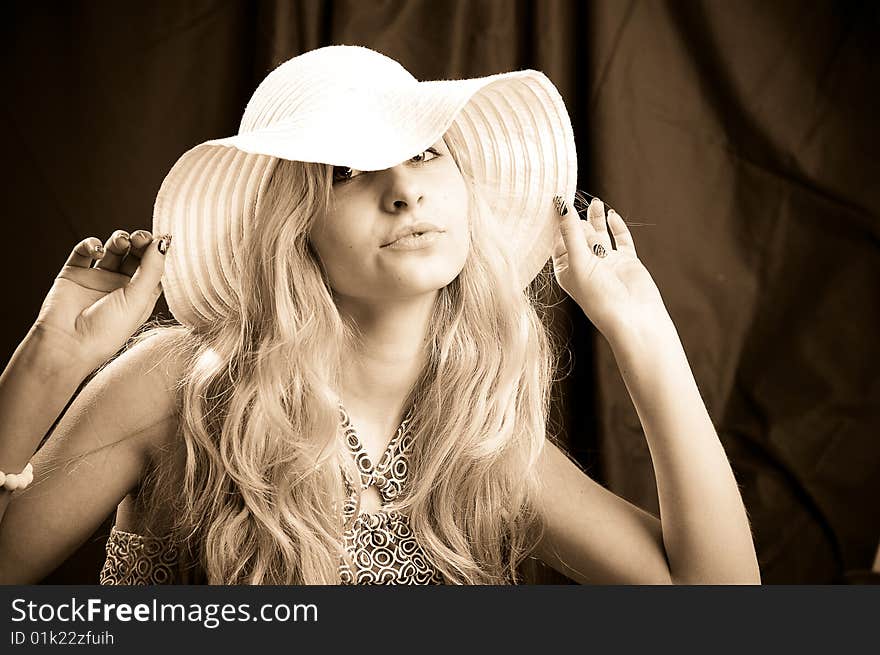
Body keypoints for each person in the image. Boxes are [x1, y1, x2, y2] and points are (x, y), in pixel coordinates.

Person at [0, 45, 760, 585]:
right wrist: (48, 359)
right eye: (349, 173)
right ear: (294, 227)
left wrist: (644, 332)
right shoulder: (178, 385)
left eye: (427, 153)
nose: (405, 191)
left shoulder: (478, 435)